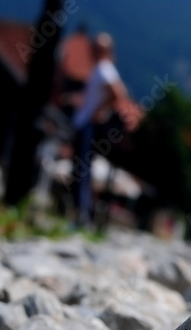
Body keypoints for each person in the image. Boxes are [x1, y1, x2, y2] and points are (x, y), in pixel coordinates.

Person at [70, 32, 130, 229]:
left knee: (82, 169)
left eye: (97, 47)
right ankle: (80, 215)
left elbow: (118, 93)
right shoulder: (99, 69)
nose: (92, 49)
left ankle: (82, 216)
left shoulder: (105, 68)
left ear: (105, 50)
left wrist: (98, 111)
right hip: (84, 122)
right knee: (80, 168)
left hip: (88, 124)